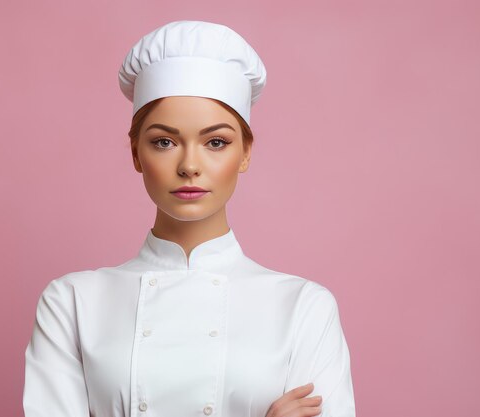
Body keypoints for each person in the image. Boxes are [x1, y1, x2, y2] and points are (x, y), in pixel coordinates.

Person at [23, 20, 356, 417]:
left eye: (216, 142)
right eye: (164, 142)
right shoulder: (72, 303)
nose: (189, 165)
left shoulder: (303, 308)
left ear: (245, 152)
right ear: (135, 153)